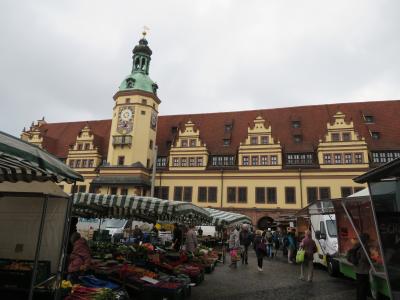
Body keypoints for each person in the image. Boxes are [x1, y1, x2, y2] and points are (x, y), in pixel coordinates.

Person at [353, 233, 371, 300]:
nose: (369, 241)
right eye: (368, 239)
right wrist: (371, 260)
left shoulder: (357, 245)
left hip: (357, 269)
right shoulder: (364, 247)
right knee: (363, 288)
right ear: (365, 239)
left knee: (359, 287)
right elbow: (364, 258)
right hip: (363, 270)